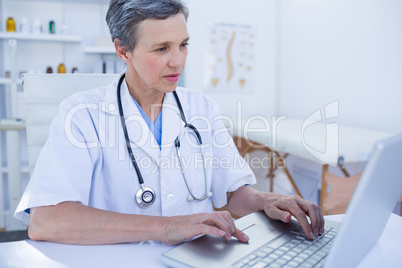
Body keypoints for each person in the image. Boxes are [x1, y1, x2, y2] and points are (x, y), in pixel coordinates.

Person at [15, 0, 324, 245]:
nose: (178, 61)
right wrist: (164, 227)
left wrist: (264, 200)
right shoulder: (81, 115)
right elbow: (46, 221)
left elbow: (231, 193)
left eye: (183, 44)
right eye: (162, 49)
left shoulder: (201, 108)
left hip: (193, 258)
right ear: (123, 50)